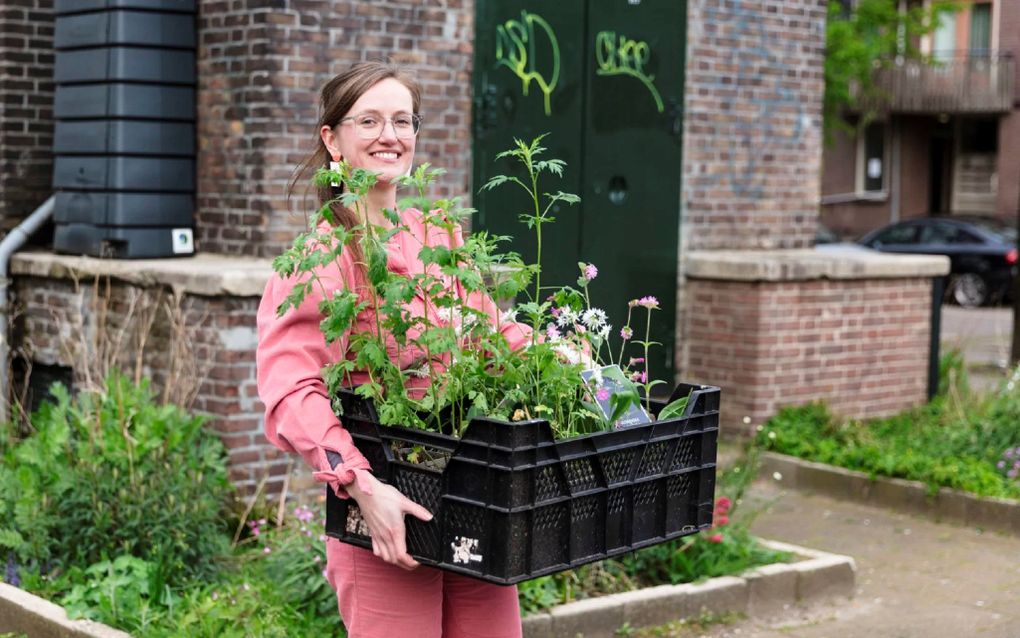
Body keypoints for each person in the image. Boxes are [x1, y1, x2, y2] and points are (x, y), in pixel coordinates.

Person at [256, 62, 528, 638]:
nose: (391, 135)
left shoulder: (438, 233)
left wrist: (565, 359)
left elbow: (491, 334)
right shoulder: (320, 258)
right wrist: (362, 486)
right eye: (370, 120)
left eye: (403, 120)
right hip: (383, 506)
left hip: (474, 492)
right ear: (332, 139)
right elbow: (290, 390)